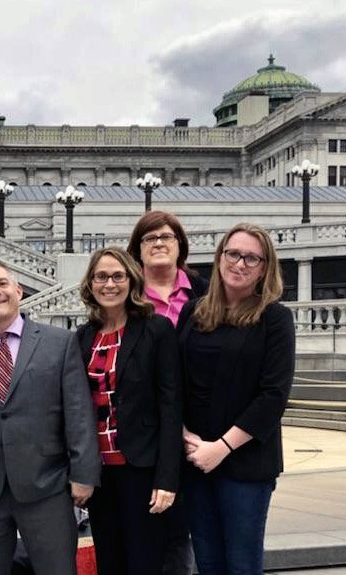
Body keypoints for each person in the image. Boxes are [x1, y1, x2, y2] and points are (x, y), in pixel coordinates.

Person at [0, 257, 99, 575]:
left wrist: (83, 474)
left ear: (18, 290)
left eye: (2, 283)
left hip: (48, 486)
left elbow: (78, 412)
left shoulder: (59, 343)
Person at [178, 223, 295, 575]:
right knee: (208, 563)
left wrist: (222, 448)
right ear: (220, 257)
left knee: (241, 566)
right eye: (233, 254)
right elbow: (174, 382)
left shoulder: (274, 318)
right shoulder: (193, 312)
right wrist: (185, 436)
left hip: (245, 466)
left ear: (264, 268)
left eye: (251, 258)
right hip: (195, 460)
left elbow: (273, 396)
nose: (240, 264)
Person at [74, 248, 181, 575]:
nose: (110, 284)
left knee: (144, 564)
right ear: (91, 284)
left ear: (132, 280)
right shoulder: (82, 338)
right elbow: (76, 410)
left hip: (143, 470)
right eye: (101, 276)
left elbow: (171, 405)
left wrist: (167, 479)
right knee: (110, 563)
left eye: (118, 276)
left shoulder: (156, 330)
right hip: (101, 475)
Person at [127, 210, 206, 575]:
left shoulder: (205, 294)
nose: (158, 243)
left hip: (200, 431)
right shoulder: (124, 298)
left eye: (167, 237)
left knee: (185, 534)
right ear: (137, 251)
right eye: (149, 238)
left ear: (180, 246)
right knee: (146, 532)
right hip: (145, 435)